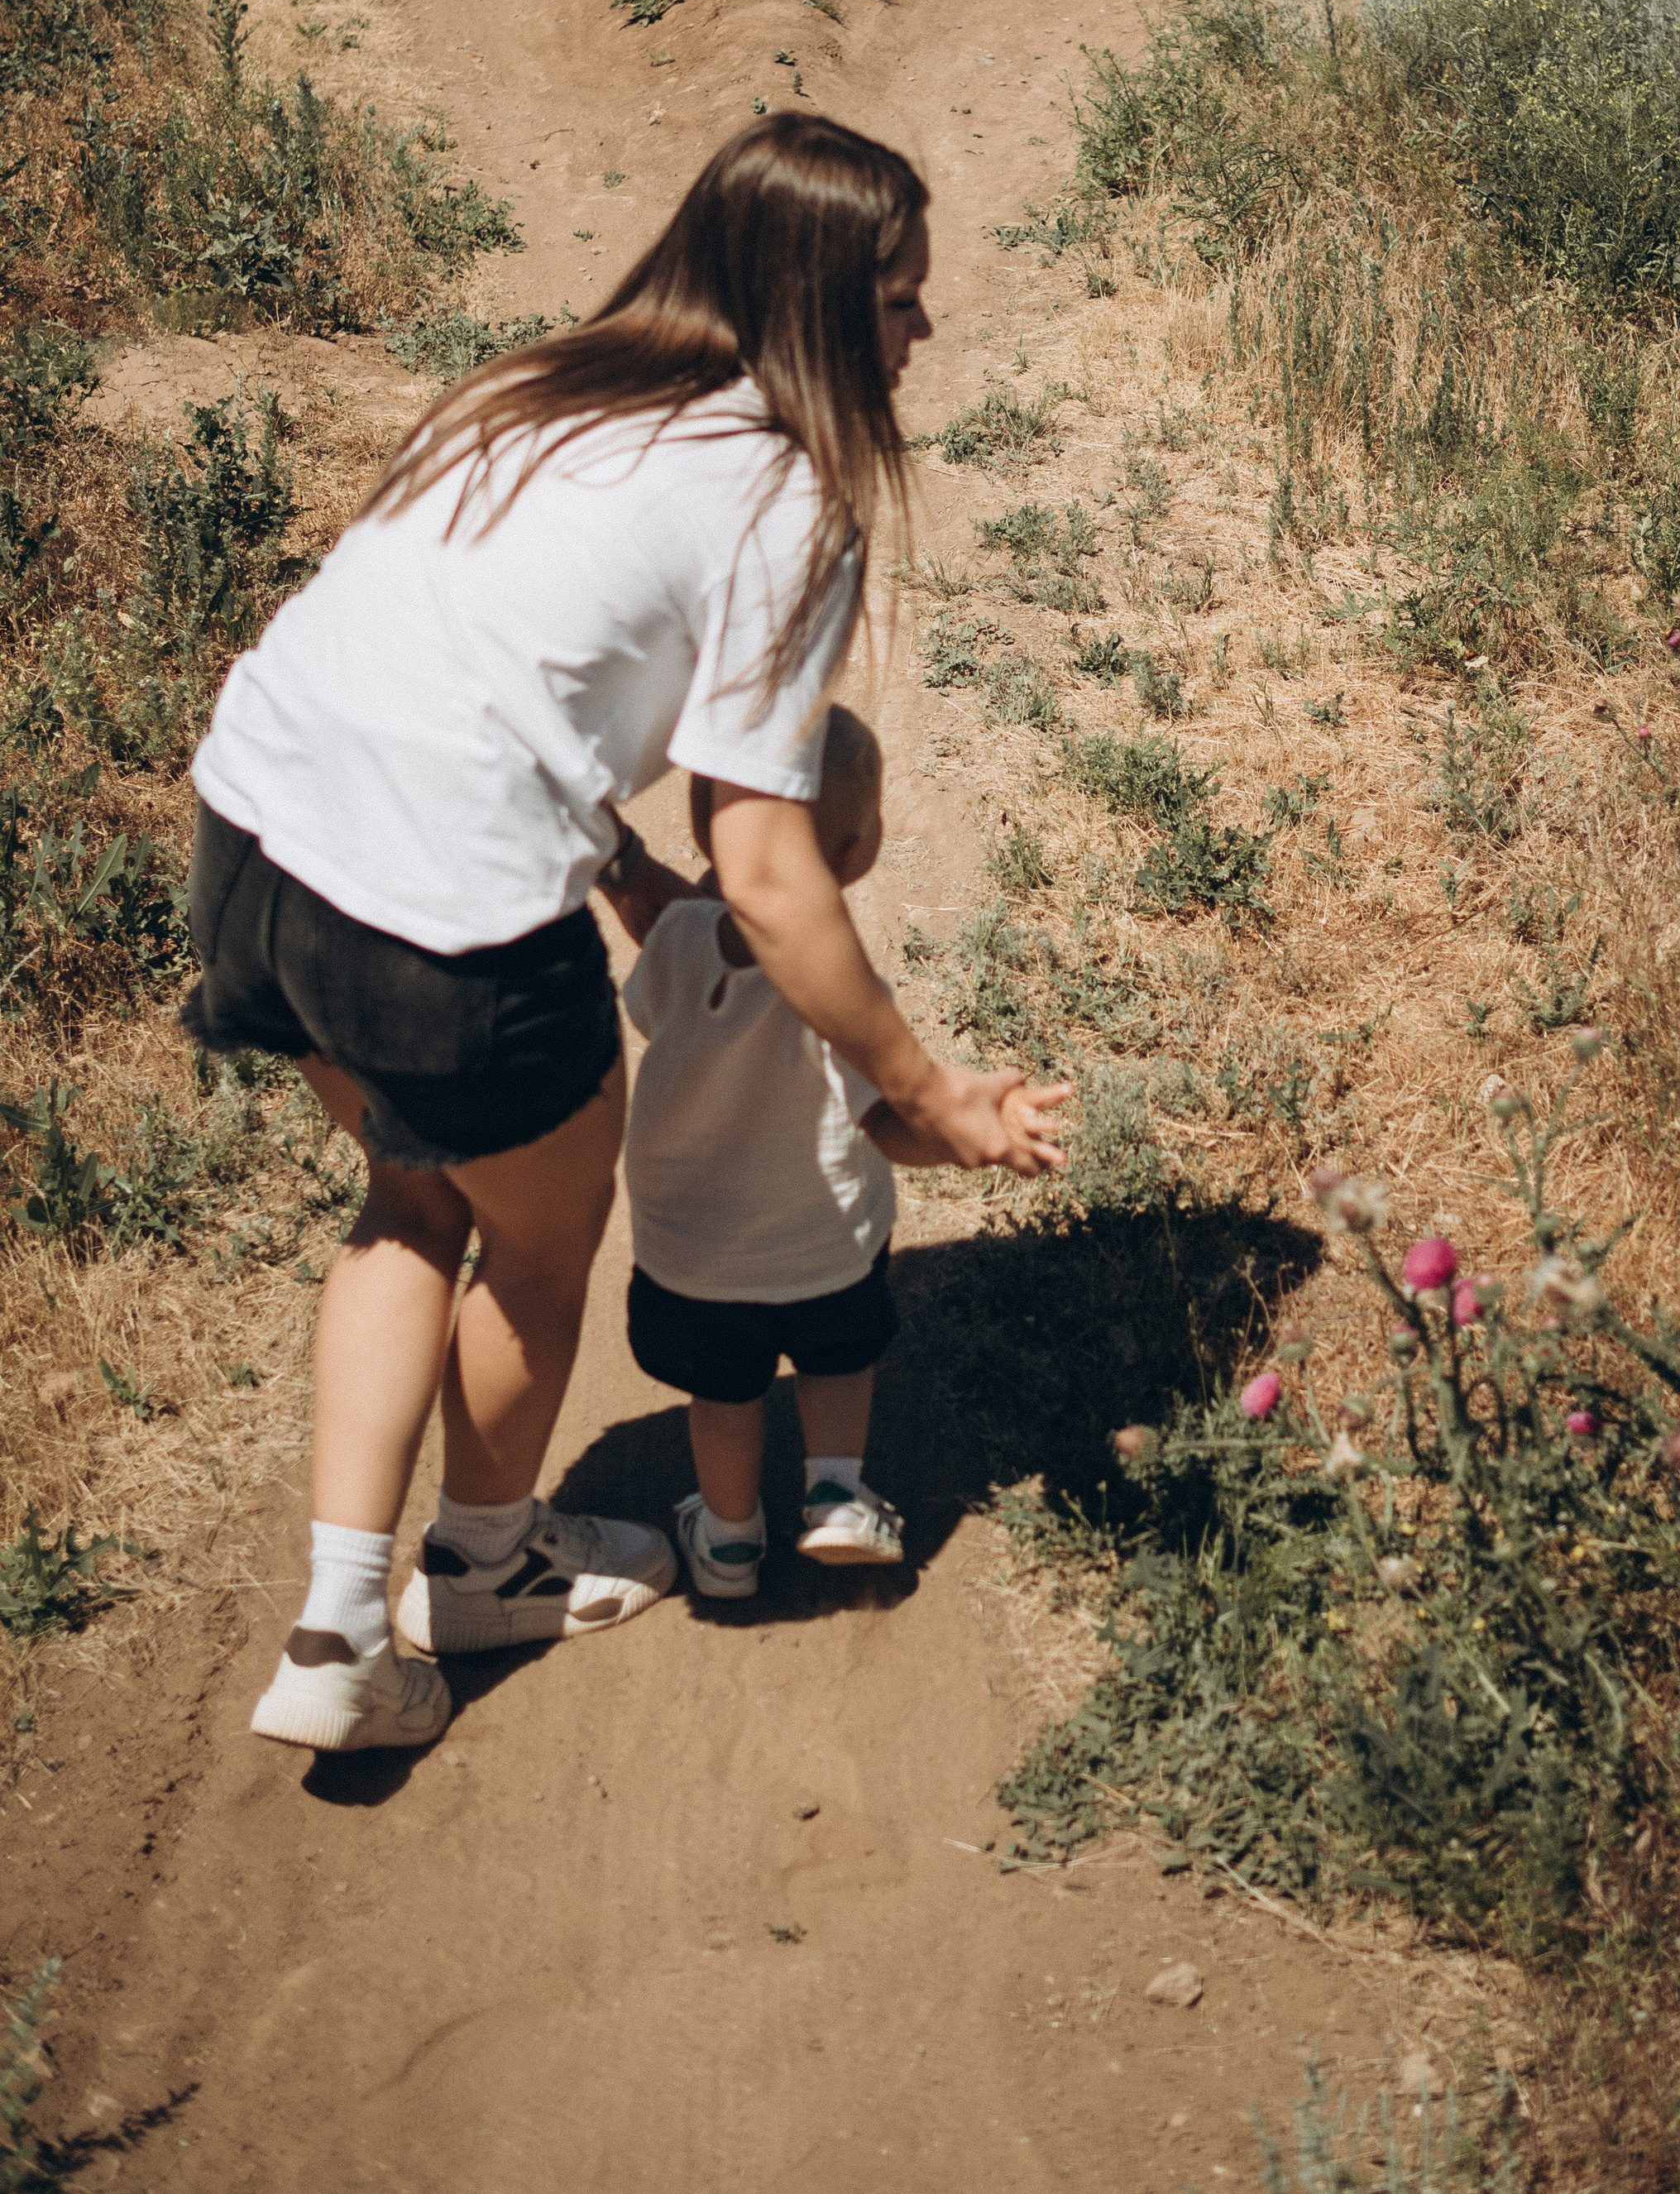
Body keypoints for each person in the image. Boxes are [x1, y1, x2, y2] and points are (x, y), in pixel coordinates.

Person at [180, 113, 1069, 1755]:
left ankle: (335, 1620)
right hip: (438, 912)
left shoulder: (541, 384)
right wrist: (923, 1085)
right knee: (530, 1237)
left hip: (254, 828)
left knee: (405, 1199)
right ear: (806, 302)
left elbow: (455, 643)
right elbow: (770, 865)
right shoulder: (788, 498)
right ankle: (488, 1562)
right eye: (893, 298)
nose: (920, 330)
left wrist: (586, 829)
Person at [613, 706, 987, 1594]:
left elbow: (653, 974)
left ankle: (731, 1539)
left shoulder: (671, 944)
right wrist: (958, 1141)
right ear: (858, 853)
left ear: (707, 829)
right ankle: (836, 1499)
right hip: (826, 1246)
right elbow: (885, 1121)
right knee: (834, 1363)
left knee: (726, 1396)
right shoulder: (848, 992)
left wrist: (626, 865)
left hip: (697, 1253)